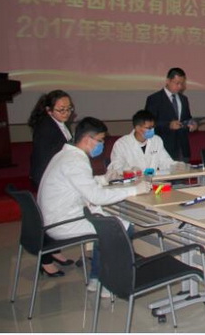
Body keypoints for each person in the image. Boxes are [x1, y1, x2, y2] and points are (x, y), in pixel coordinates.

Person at [38, 117, 151, 295]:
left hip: (55, 218)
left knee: (107, 225)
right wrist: (134, 190)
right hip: (62, 222)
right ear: (87, 139)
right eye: (100, 140)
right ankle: (110, 282)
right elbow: (96, 197)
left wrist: (103, 179)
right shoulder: (75, 161)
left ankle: (97, 278)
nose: (102, 145)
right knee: (121, 228)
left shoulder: (65, 155)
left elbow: (78, 184)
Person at [27, 90, 75, 276]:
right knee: (50, 218)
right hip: (46, 178)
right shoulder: (46, 128)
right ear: (48, 110)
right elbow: (47, 159)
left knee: (57, 216)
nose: (66, 113)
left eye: (69, 108)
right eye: (61, 109)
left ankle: (55, 251)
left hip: (54, 177)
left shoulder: (58, 123)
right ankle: (45, 260)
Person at [144, 67, 198, 162]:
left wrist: (192, 124)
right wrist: (168, 125)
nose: (180, 87)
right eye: (177, 83)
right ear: (168, 81)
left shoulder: (184, 99)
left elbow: (187, 118)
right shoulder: (154, 99)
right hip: (164, 148)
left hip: (183, 148)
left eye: (182, 84)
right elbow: (148, 125)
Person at [107, 110, 176, 178]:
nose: (152, 130)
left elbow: (165, 161)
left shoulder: (156, 140)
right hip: (132, 182)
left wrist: (176, 166)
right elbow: (116, 167)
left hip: (154, 181)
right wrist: (131, 171)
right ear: (137, 128)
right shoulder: (121, 144)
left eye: (153, 127)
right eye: (149, 128)